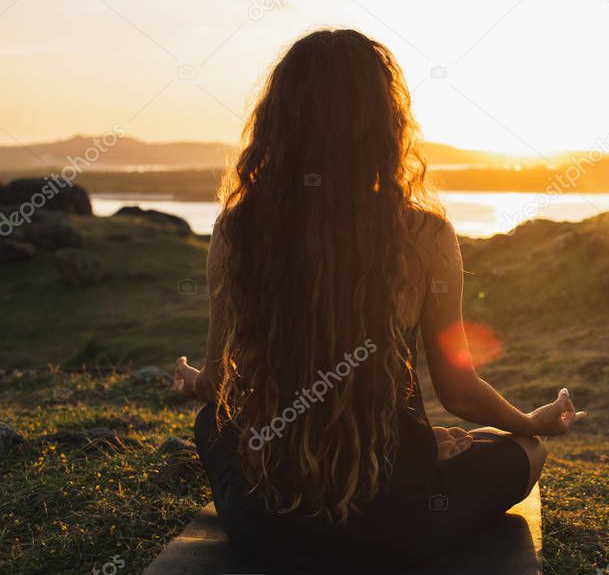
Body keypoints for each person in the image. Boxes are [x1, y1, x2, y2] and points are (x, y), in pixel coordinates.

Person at [173, 28, 586, 572]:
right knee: (522, 452)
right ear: (384, 124)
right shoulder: (424, 234)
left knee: (211, 421)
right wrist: (529, 424)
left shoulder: (238, 228)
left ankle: (404, 448)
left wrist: (191, 378)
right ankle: (405, 452)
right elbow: (459, 390)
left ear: (279, 122)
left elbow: (220, 385)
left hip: (268, 524)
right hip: (395, 524)